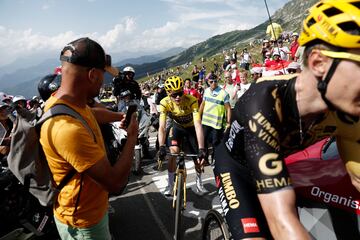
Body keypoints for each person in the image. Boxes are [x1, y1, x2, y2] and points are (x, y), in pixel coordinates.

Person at [213, 1, 360, 239]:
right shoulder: (263, 104)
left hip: (276, 164)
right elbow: (282, 225)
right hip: (236, 169)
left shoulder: (350, 114)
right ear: (319, 63)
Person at [39, 37, 138, 240]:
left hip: (89, 211)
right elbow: (116, 183)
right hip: (84, 222)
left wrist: (120, 117)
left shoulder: (65, 101)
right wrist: (132, 137)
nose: (103, 83)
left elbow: (90, 114)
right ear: (93, 75)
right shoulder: (67, 130)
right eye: (102, 76)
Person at [157, 76, 206, 196]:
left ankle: (199, 181)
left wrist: (201, 148)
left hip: (191, 128)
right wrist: (161, 146)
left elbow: (198, 125)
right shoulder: (164, 103)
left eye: (180, 93)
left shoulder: (192, 100)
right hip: (177, 127)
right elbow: (162, 127)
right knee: (173, 153)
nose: (178, 97)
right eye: (174, 95)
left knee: (198, 160)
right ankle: (170, 184)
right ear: (169, 94)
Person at [199, 73, 231, 163]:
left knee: (215, 142)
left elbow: (228, 108)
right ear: (208, 82)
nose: (214, 83)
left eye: (215, 81)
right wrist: (198, 116)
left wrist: (228, 122)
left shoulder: (223, 93)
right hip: (206, 122)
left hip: (217, 123)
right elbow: (202, 104)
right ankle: (205, 159)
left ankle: (215, 159)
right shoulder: (206, 91)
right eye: (211, 81)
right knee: (203, 140)